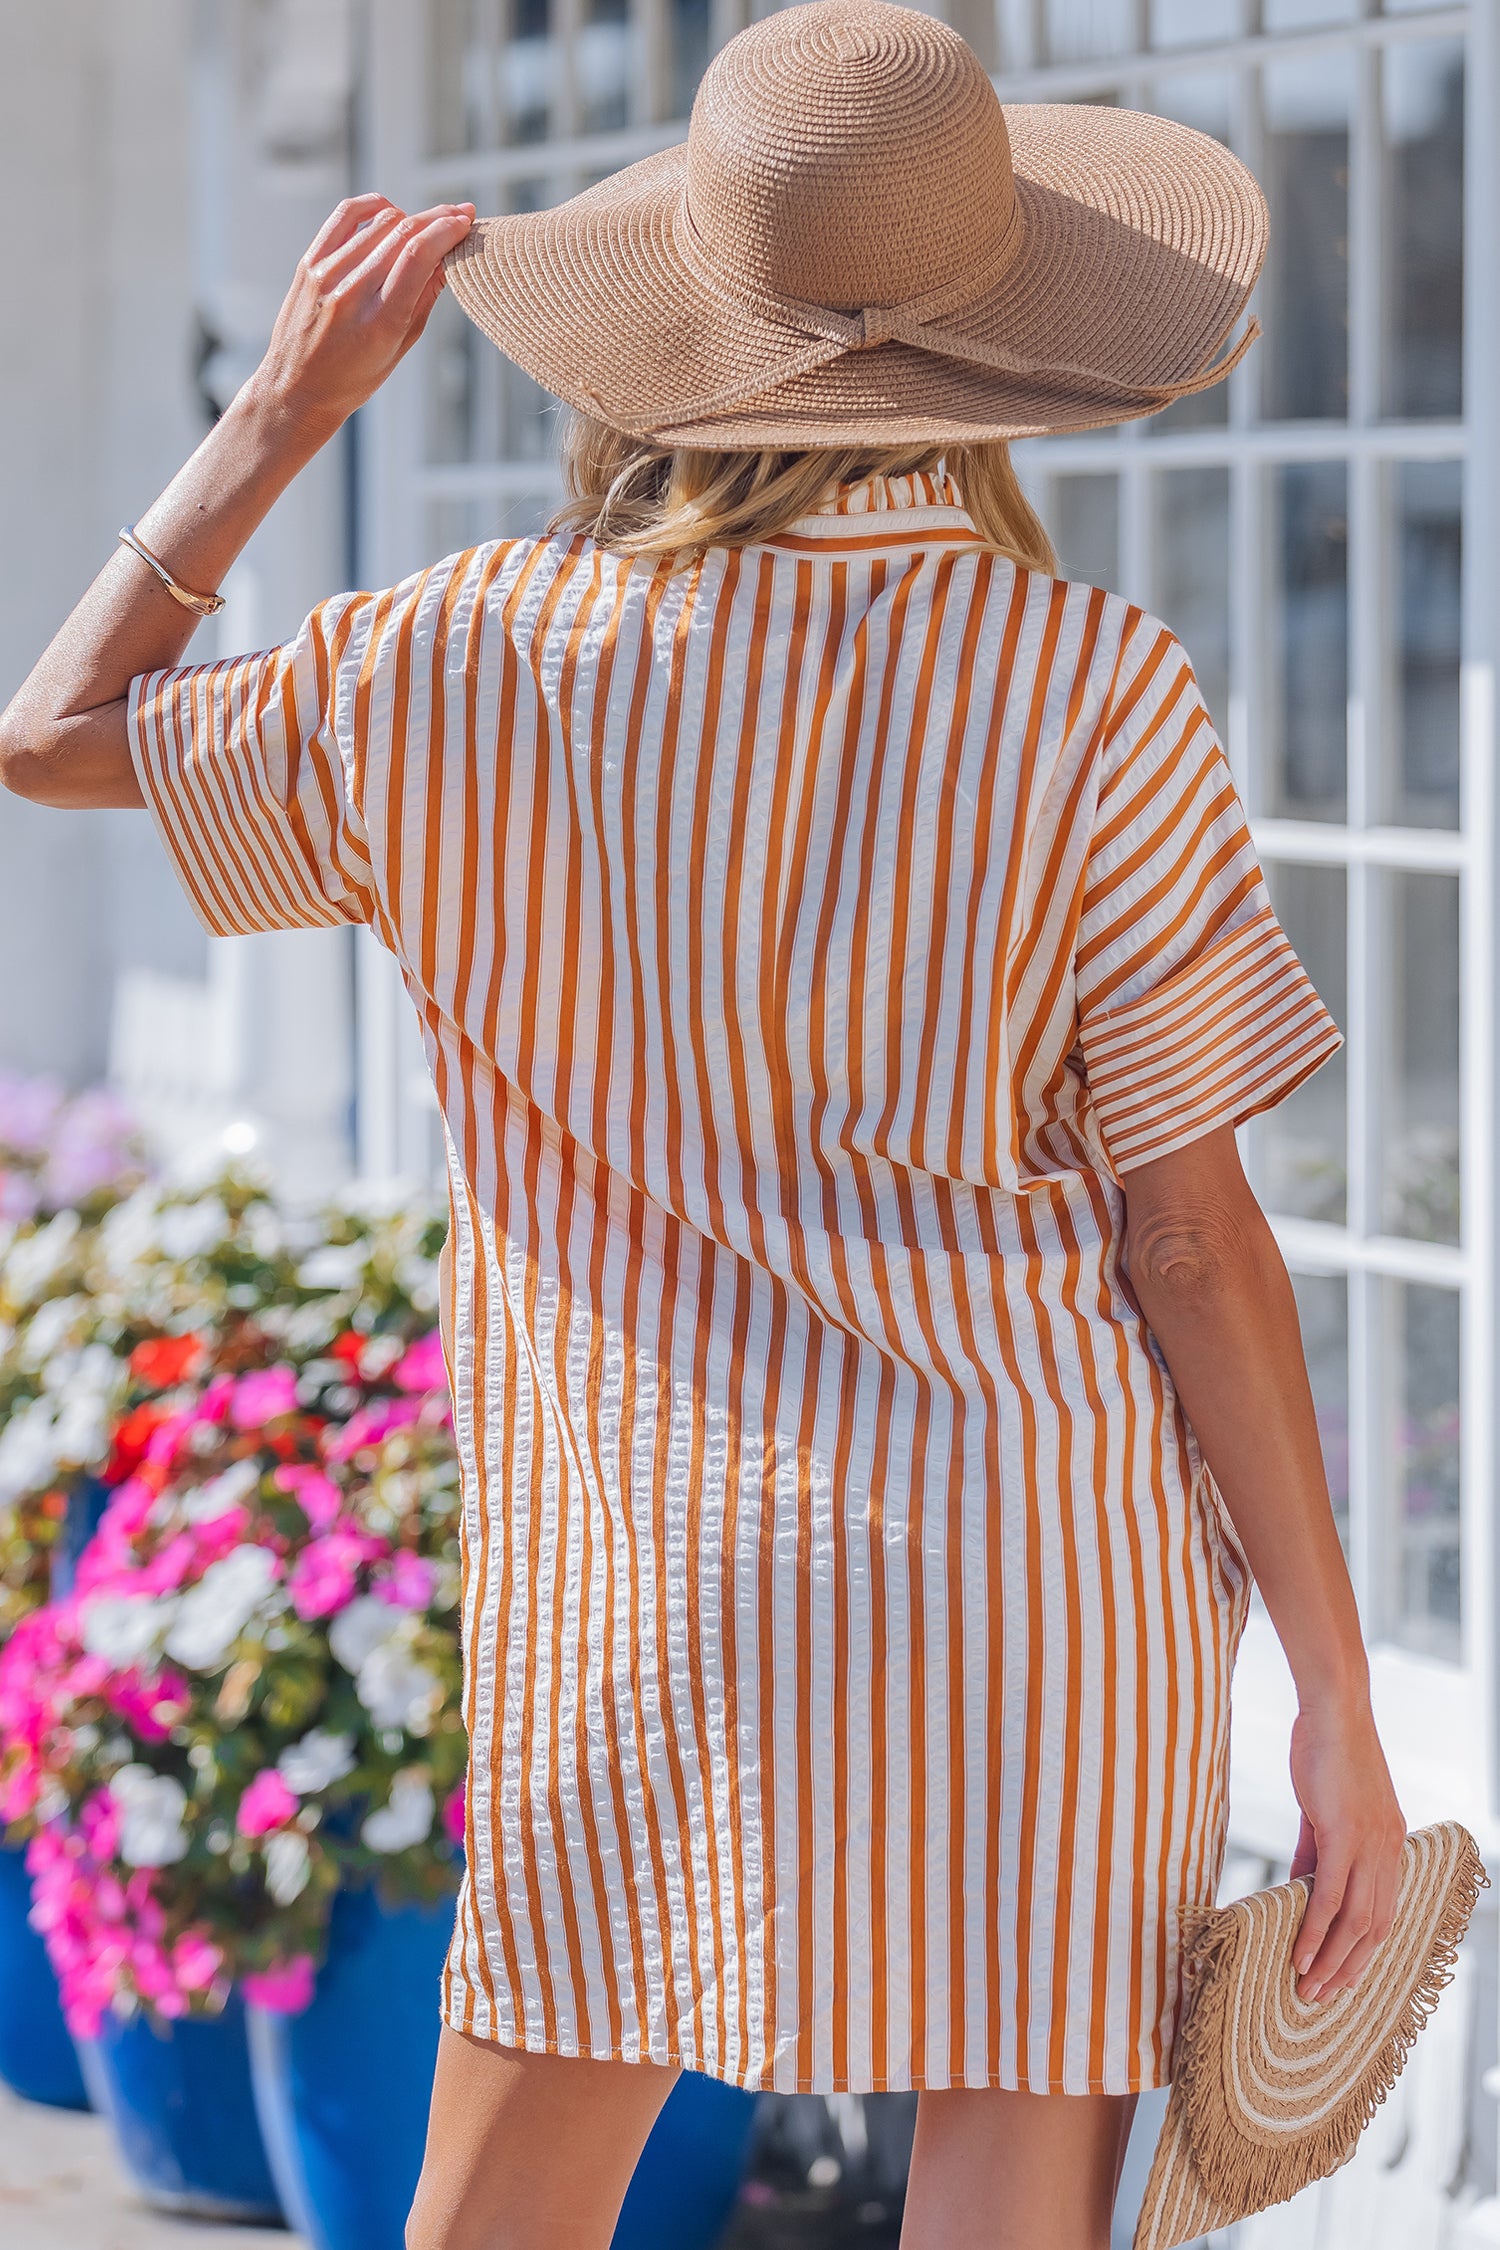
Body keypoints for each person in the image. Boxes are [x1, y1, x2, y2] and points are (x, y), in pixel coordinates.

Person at [0, 5, 1404, 2244]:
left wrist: (279, 419)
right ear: (1004, 345)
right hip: (1045, 1578)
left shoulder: (458, 661)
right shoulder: (1097, 690)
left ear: (674, 314)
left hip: (648, 1579)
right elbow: (1190, 1240)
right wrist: (1333, 1690)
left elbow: (60, 735)